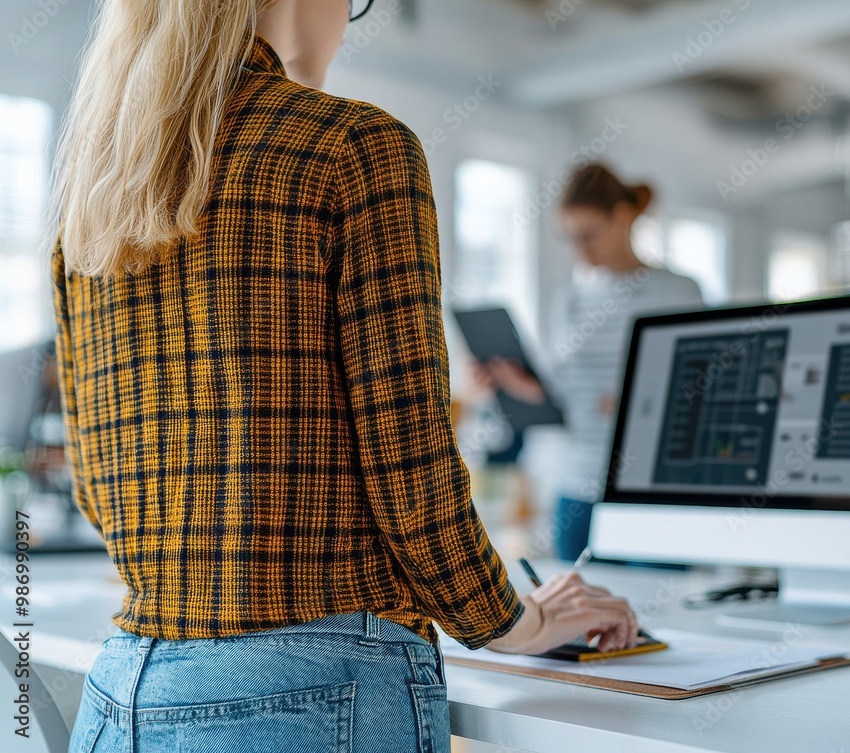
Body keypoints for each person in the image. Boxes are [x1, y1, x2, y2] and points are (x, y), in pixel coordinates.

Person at [47, 2, 637, 751]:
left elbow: (98, 492)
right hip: (309, 693)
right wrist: (520, 620)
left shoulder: (92, 202)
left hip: (124, 692)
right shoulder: (356, 145)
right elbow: (410, 473)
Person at [475, 164, 705, 560]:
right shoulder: (569, 301)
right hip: (577, 485)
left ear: (622, 217)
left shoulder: (680, 292)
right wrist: (513, 385)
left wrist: (642, 400)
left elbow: (704, 387)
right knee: (575, 611)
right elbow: (561, 398)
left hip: (650, 490)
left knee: (650, 614)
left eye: (588, 236)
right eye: (570, 239)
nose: (580, 252)